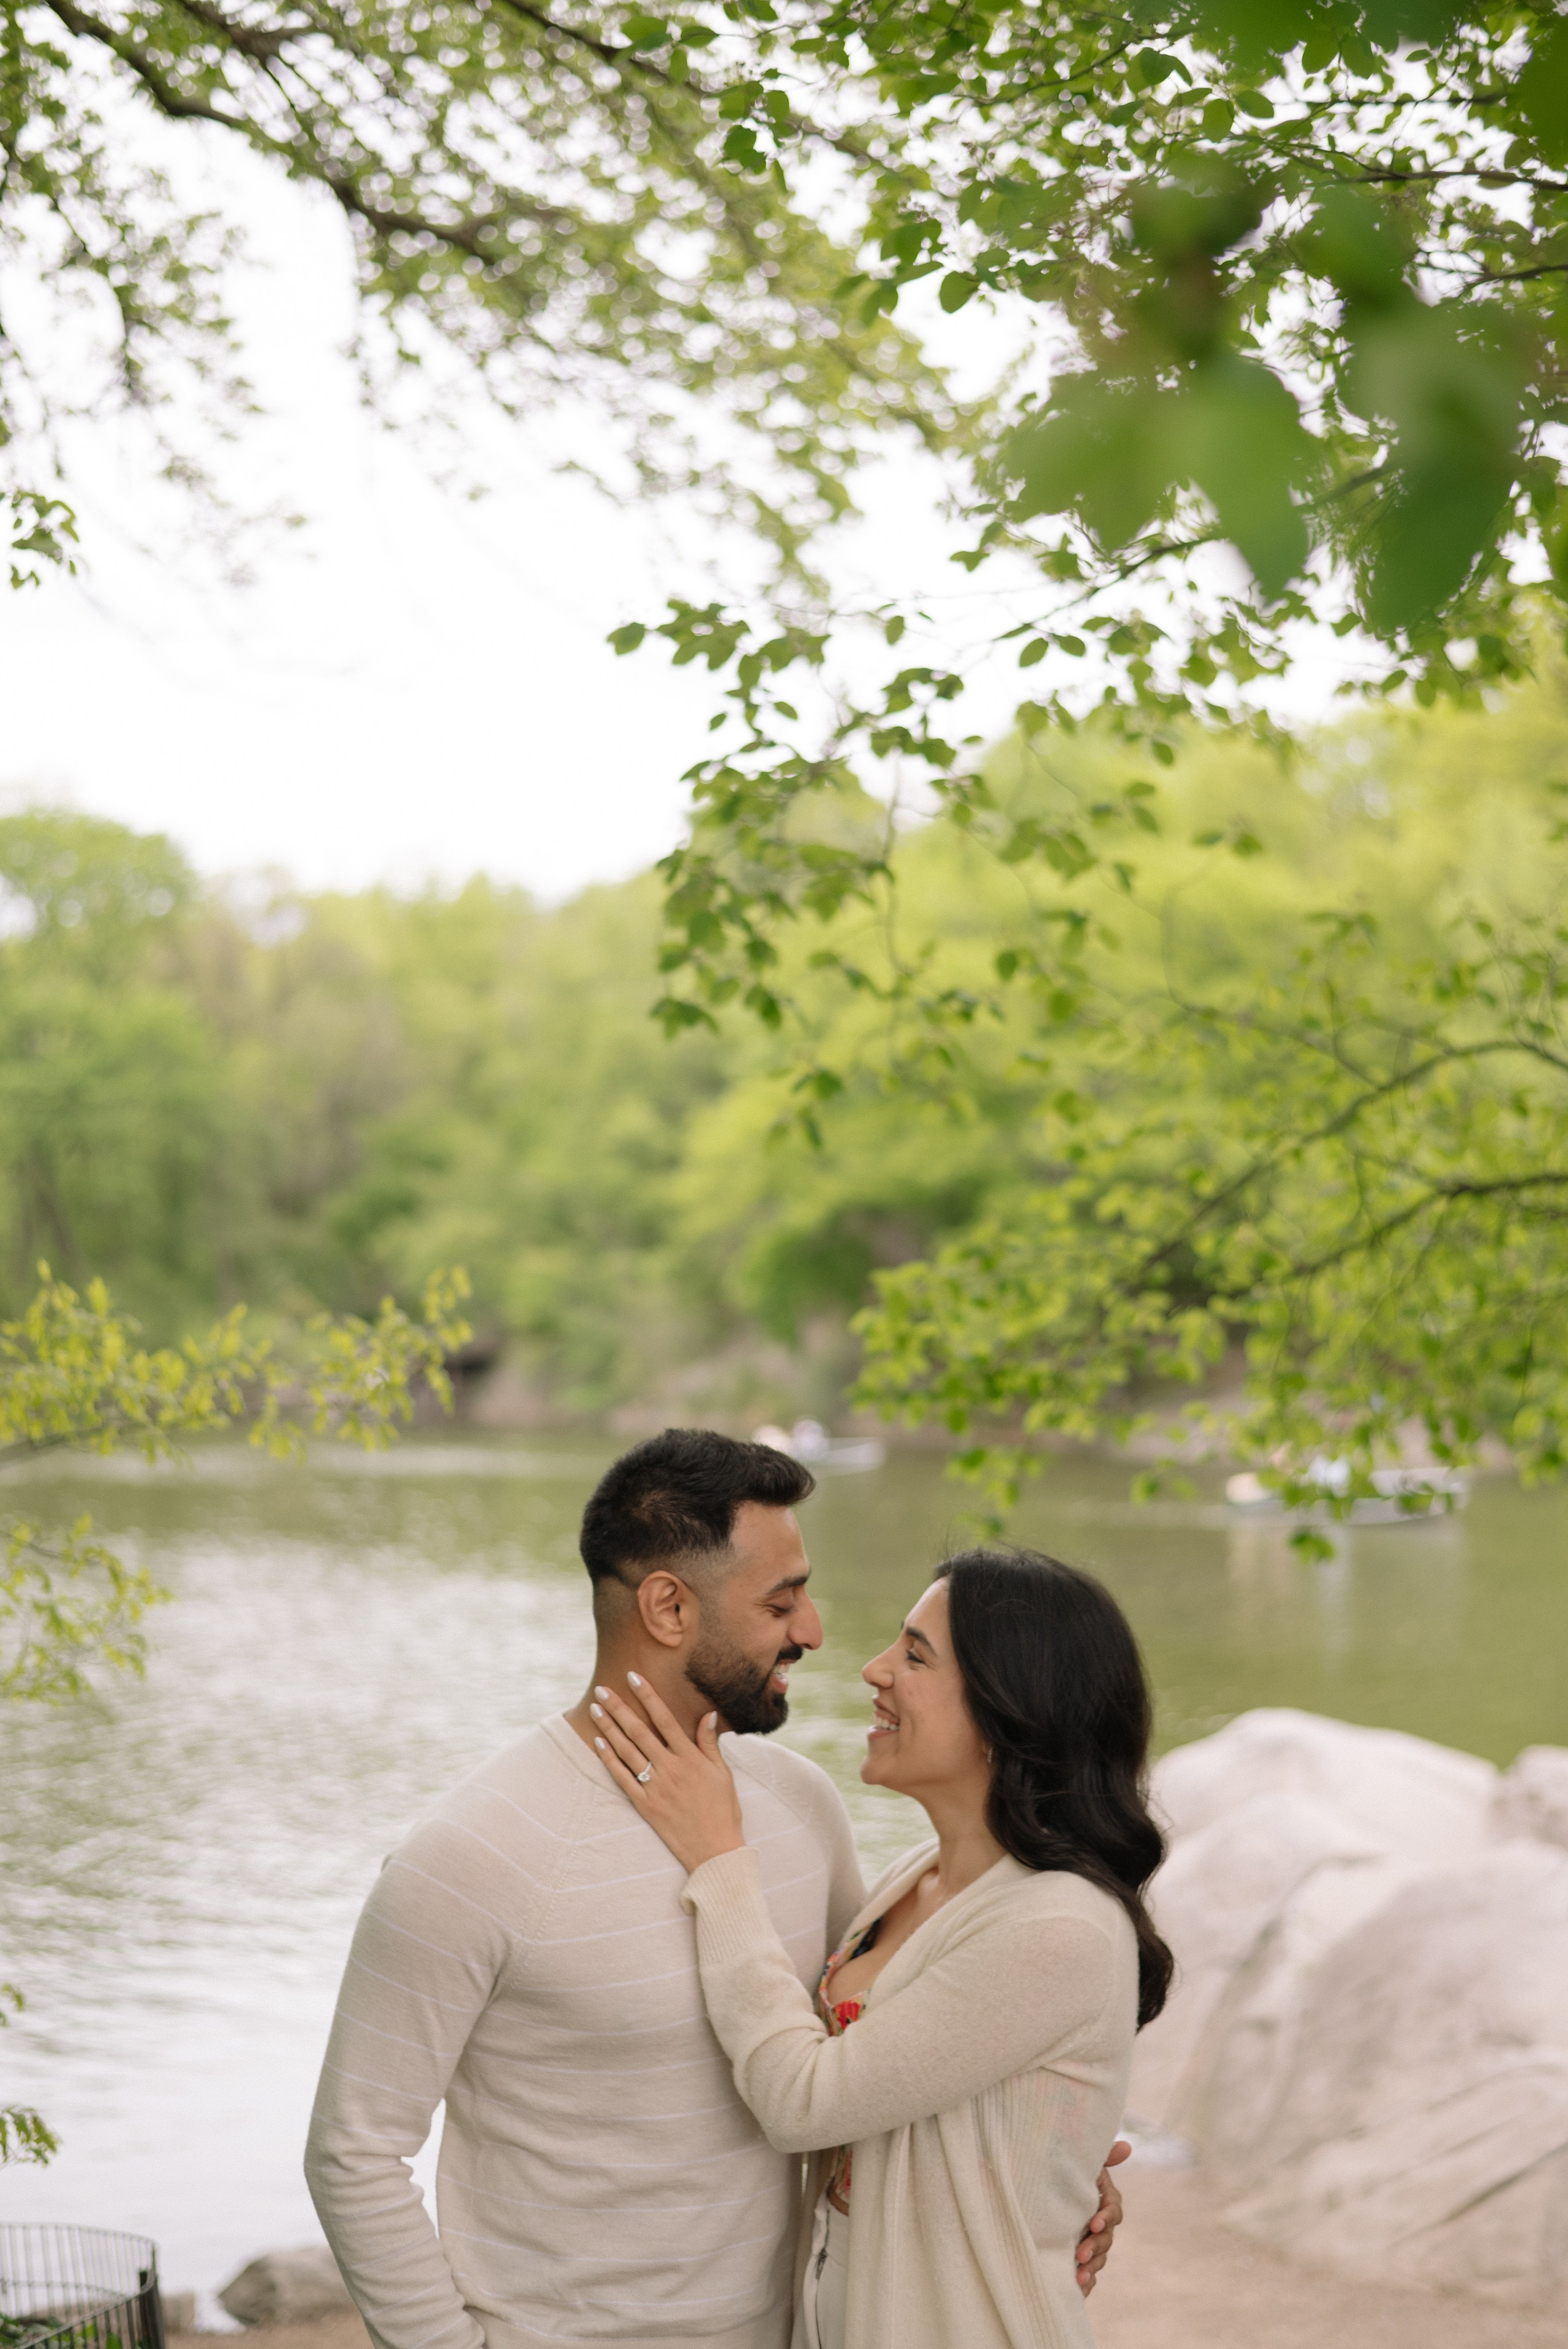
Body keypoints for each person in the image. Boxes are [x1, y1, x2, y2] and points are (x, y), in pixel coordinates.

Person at [304, 1433, 1125, 2349]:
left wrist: (1043, 2166)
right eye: (781, 1601)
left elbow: (857, 2052)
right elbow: (354, 2155)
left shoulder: (801, 1805)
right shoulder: (471, 1856)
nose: (815, 1632)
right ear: (668, 1607)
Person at [590, 1545, 1170, 2349]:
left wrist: (719, 1859)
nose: (874, 1669)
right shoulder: (917, 1876)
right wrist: (1047, 2162)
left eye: (916, 1656)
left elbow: (803, 2101)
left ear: (1010, 1709)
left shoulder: (1059, 1926)